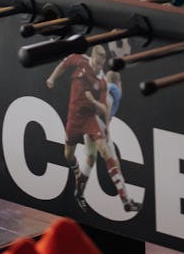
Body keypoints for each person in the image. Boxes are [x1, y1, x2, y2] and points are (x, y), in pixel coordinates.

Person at [46, 45, 138, 214]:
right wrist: (52, 78)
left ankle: (125, 199)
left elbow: (104, 108)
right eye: (96, 63)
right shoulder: (80, 60)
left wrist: (101, 115)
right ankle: (79, 181)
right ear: (92, 58)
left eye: (100, 65)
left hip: (92, 119)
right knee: (72, 155)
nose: (97, 68)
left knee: (104, 154)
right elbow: (63, 64)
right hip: (75, 118)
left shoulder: (103, 83)